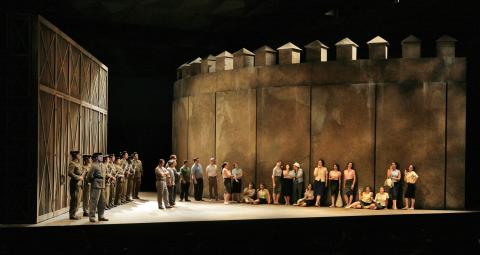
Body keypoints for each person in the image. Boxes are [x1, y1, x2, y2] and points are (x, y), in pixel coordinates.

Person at [89, 153, 114, 222]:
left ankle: (101, 216)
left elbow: (105, 174)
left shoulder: (103, 165)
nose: (102, 157)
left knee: (102, 202)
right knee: (94, 202)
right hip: (96, 186)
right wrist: (94, 182)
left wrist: (110, 177)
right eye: (100, 156)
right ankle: (92, 217)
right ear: (97, 157)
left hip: (103, 186)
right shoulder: (94, 165)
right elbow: (89, 176)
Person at [68, 150, 83, 220]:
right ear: (75, 156)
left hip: (79, 183)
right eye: (79, 155)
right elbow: (70, 173)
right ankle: (72, 214)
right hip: (74, 183)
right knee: (74, 199)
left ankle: (74, 213)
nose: (80, 156)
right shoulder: (72, 163)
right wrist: (78, 177)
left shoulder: (78, 164)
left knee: (77, 199)